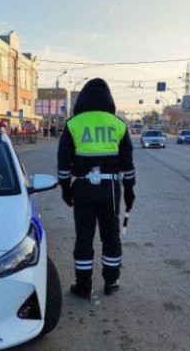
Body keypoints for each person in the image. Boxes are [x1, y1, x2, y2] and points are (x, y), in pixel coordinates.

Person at [57, 78, 136, 299]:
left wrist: (66, 189)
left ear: (82, 99)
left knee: (84, 237)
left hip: (82, 187)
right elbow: (127, 163)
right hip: (110, 187)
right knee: (110, 236)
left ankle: (83, 286)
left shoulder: (73, 124)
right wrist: (129, 190)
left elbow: (63, 163)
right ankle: (111, 282)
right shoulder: (118, 124)